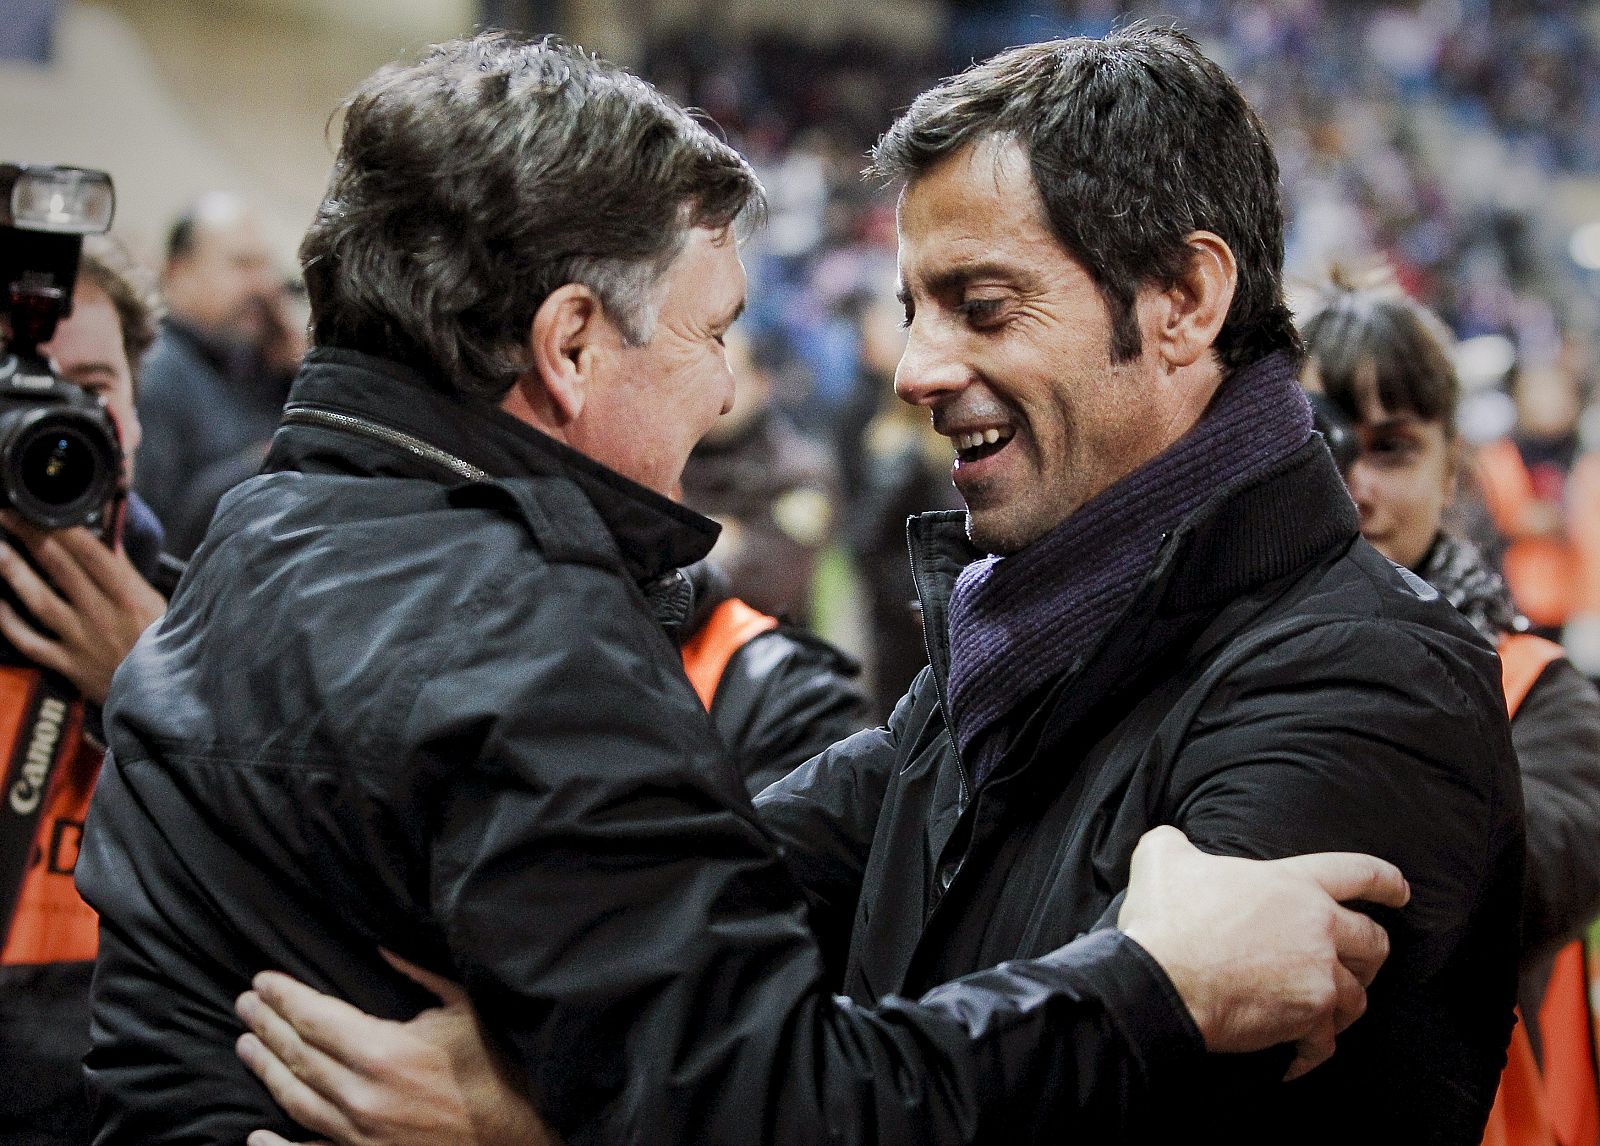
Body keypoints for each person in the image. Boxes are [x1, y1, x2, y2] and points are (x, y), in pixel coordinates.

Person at [80, 29, 1407, 1146]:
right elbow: (779, 1105)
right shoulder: (526, 628)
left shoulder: (251, 538)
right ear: (572, 344)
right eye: (712, 331)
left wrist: (570, 1090)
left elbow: (703, 908)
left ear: (1187, 300)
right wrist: (1152, 987)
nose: (727, 388)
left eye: (983, 305)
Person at [1299, 269, 1600, 1146]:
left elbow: (1516, 892)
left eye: (1392, 449)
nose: (1357, 487)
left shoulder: (1538, 691)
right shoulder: (1206, 655)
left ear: (1450, 468)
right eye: (1325, 444)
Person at [0, 236, 172, 1145]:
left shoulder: (213, 638)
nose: (55, 421)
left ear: (135, 417)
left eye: (93, 387)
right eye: (15, 385)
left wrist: (162, 685)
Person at [133, 192, 292, 557]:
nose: (265, 286)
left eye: (266, 266)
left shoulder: (264, 365)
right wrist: (267, 459)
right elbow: (155, 533)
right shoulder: (154, 372)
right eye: (242, 264)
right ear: (180, 271)